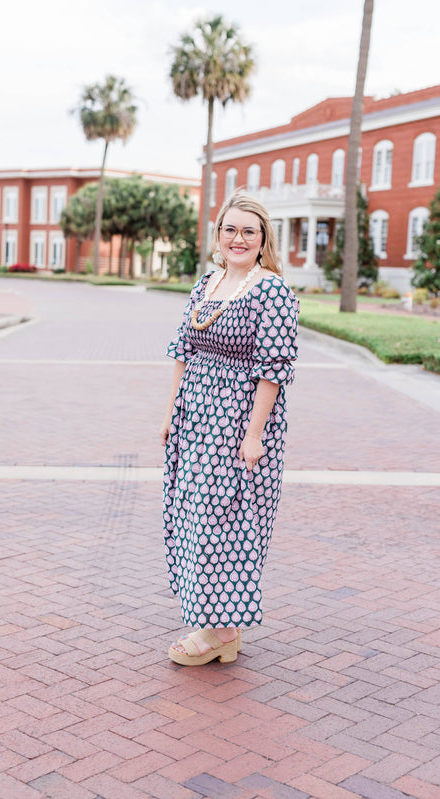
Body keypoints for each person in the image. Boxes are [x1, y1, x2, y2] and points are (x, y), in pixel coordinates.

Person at [159, 192, 299, 666]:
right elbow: (184, 348)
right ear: (218, 235)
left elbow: (274, 368)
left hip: (239, 422)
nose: (238, 239)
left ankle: (221, 631)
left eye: (249, 231)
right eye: (230, 230)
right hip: (196, 417)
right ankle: (212, 624)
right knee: (193, 519)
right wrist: (172, 411)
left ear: (263, 240)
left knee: (229, 523)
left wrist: (254, 433)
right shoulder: (208, 281)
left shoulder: (273, 291)